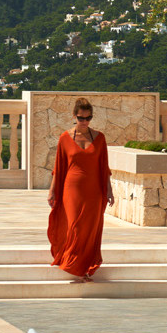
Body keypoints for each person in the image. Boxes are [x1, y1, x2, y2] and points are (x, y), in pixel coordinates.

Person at [47, 97, 114, 282]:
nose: (84, 121)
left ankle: (84, 269)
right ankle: (72, 263)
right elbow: (58, 167)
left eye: (88, 118)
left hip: (94, 191)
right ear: (74, 116)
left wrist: (109, 190)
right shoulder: (65, 138)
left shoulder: (99, 138)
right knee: (75, 227)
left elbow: (104, 167)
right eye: (81, 118)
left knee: (89, 230)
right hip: (72, 190)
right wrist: (52, 191)